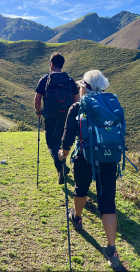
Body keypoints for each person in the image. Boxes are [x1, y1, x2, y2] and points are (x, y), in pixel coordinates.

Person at [58, 70, 121, 268]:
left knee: (81, 189)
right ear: (102, 87)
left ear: (84, 87)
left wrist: (63, 153)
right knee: (108, 203)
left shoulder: (77, 107)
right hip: (109, 158)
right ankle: (111, 249)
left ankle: (77, 218)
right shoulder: (111, 105)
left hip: (84, 158)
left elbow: (68, 137)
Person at [34, 52, 80, 184]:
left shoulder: (45, 79)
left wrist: (38, 112)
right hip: (67, 118)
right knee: (64, 143)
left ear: (52, 64)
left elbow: (37, 99)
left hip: (50, 118)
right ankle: (62, 167)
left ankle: (61, 167)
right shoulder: (70, 81)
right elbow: (77, 101)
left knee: (52, 144)